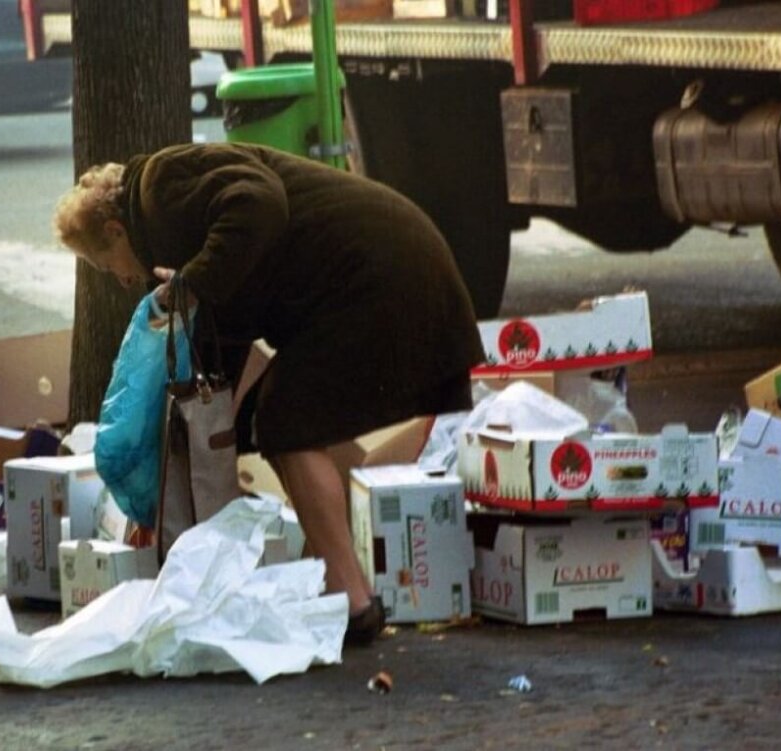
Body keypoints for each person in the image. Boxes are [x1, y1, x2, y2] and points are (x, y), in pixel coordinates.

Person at [53, 142, 485, 646]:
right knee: (277, 417)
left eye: (108, 266)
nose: (123, 279)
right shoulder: (164, 214)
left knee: (288, 421)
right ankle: (337, 569)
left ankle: (353, 600)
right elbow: (237, 312)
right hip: (379, 270)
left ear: (114, 230)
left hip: (380, 274)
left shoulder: (159, 189)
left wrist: (195, 283)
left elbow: (259, 202)